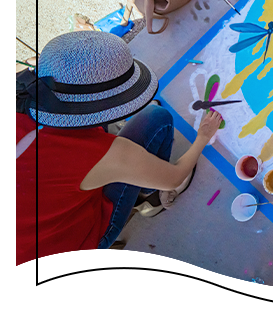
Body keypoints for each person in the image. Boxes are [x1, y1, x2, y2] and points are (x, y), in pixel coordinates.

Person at [16, 31, 222, 280]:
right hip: (68, 244)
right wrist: (203, 136)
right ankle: (151, 199)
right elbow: (175, 177)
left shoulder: (21, 98)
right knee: (156, 119)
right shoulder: (95, 153)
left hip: (20, 252)